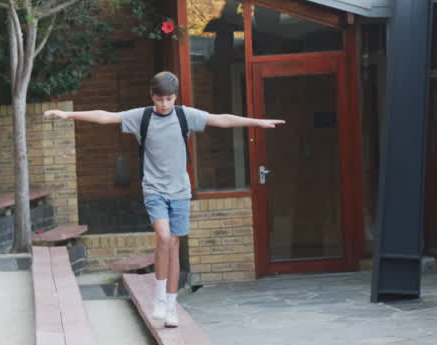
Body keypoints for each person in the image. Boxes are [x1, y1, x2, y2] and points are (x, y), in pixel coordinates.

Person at [44, 71, 283, 327]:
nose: (164, 105)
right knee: (165, 238)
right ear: (152, 96)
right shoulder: (142, 117)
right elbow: (105, 117)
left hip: (180, 192)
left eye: (169, 99)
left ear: (175, 97)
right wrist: (68, 115)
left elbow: (220, 120)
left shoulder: (184, 115)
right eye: (159, 99)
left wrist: (256, 122)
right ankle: (158, 298)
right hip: (154, 190)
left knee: (174, 246)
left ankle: (171, 306)